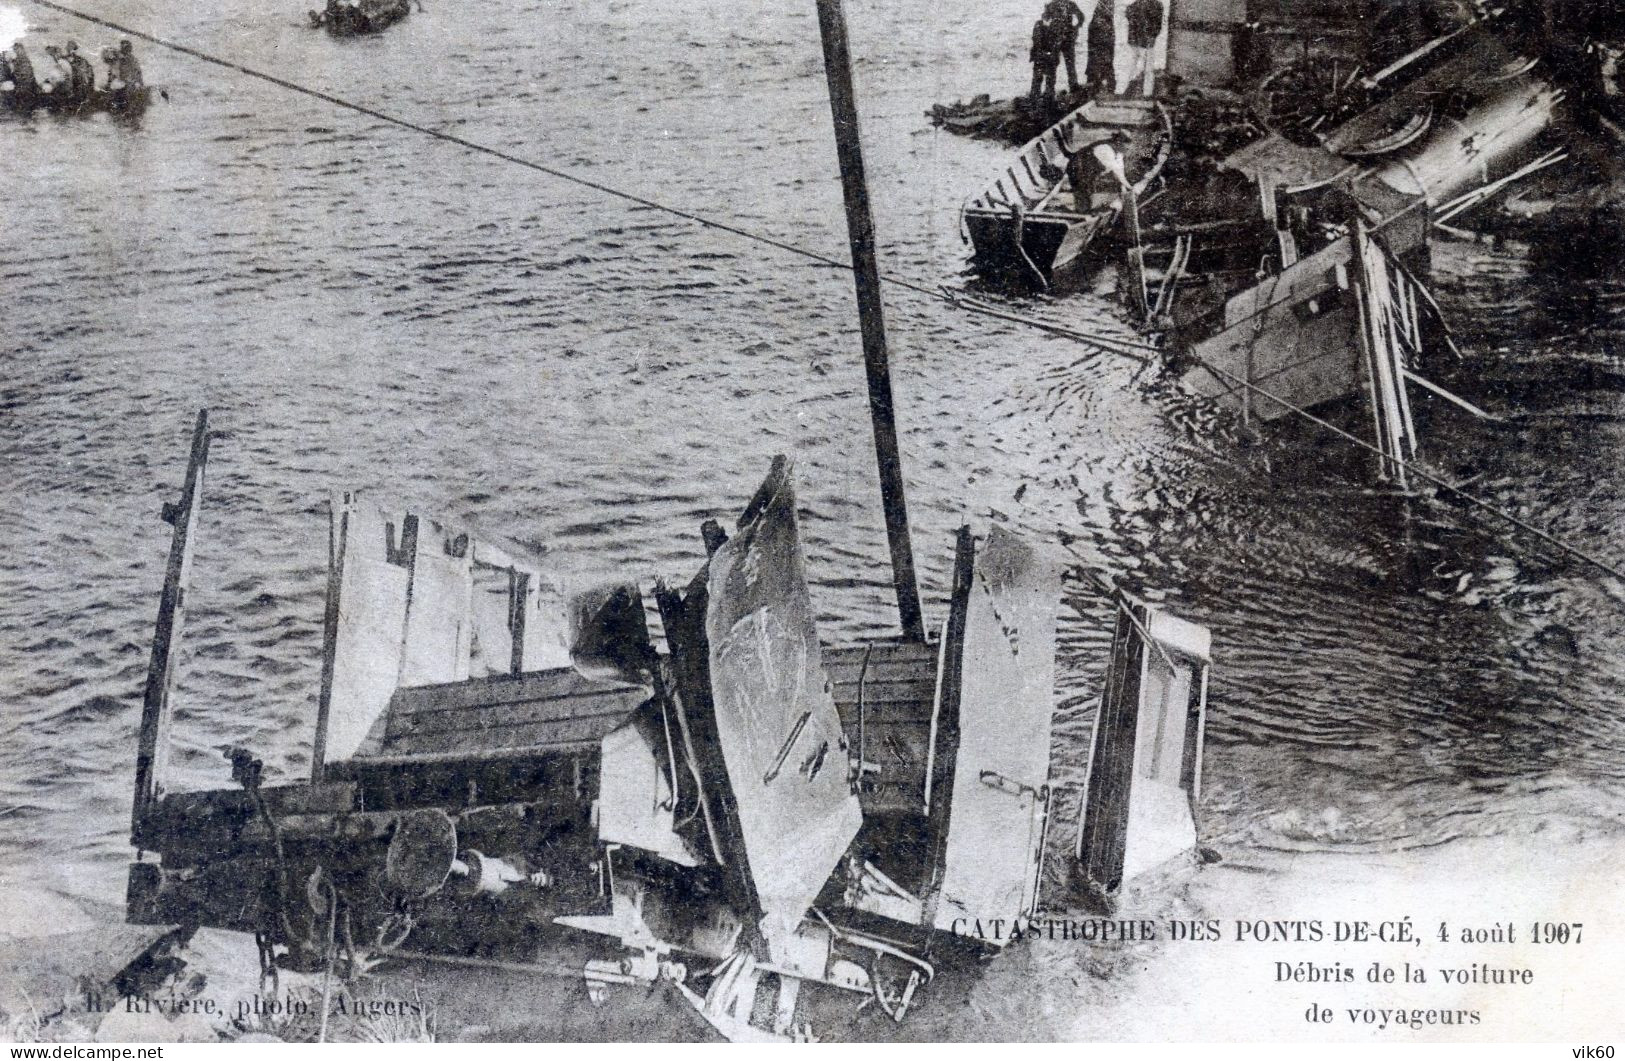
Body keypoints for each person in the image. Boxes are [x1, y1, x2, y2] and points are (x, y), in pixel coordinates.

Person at [1044, 0, 1086, 93]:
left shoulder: (1068, 4)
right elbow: (1045, 19)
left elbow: (1081, 17)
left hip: (1064, 39)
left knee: (1067, 64)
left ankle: (1070, 86)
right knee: (1055, 64)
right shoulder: (1058, 4)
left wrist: (1076, 28)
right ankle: (1050, 88)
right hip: (1058, 39)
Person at [1123, 0, 1164, 97]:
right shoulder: (1157, 5)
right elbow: (1158, 26)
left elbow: (1130, 20)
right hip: (1145, 42)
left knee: (1133, 67)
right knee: (1146, 69)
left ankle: (1131, 90)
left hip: (1137, 42)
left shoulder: (1133, 5)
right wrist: (1152, 36)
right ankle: (1146, 92)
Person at [1085, 0, 1116, 97]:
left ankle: (1100, 87)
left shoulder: (1102, 9)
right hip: (1103, 40)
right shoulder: (1106, 9)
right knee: (1105, 63)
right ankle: (1108, 87)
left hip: (1100, 41)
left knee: (1101, 64)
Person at [1029, 12, 1060, 106]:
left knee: (1050, 78)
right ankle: (1035, 98)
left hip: (1049, 56)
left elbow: (1057, 42)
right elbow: (1037, 42)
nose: (1050, 22)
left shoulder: (1053, 27)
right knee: (1038, 77)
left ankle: (1049, 97)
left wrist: (1053, 54)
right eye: (1049, 20)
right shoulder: (1038, 26)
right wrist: (1046, 54)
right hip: (1040, 56)